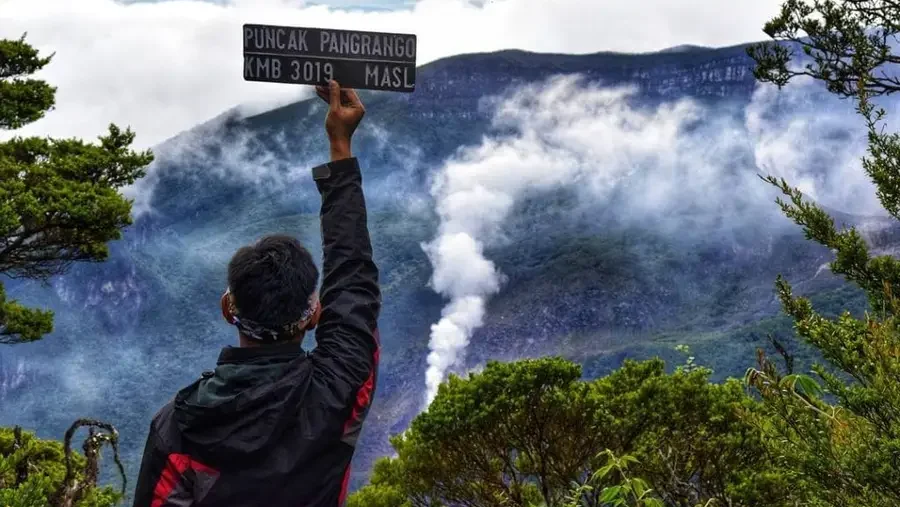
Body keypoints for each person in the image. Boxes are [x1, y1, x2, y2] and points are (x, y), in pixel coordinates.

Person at [132, 80, 381, 507]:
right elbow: (353, 278)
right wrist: (340, 146)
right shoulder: (340, 386)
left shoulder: (178, 427)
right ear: (313, 314)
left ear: (228, 308)